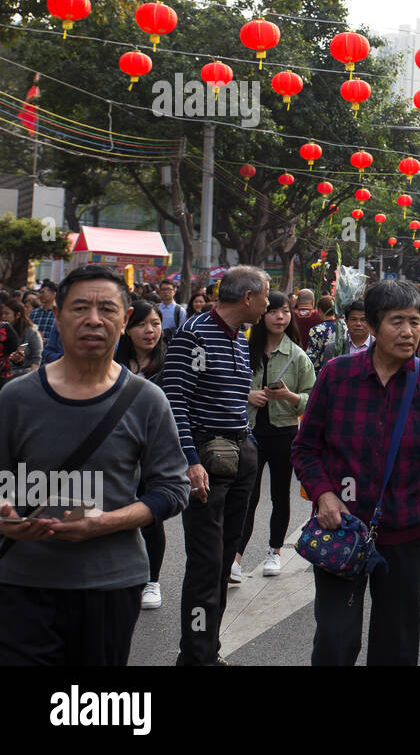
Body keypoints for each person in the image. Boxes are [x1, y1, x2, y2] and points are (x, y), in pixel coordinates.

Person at [0, 265, 189, 665]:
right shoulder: (15, 398)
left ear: (124, 322)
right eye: (80, 307)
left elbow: (172, 490)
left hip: (110, 583)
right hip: (21, 582)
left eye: (107, 309)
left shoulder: (147, 400)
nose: (93, 319)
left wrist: (102, 523)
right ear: (57, 316)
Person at [292, 280, 420, 665]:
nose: (408, 331)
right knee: (335, 641)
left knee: (396, 645)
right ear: (372, 326)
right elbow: (306, 447)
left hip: (408, 531)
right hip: (340, 528)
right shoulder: (337, 376)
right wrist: (324, 493)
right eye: (397, 321)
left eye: (414, 321)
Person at [163, 265, 270, 666]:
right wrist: (191, 461)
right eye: (265, 295)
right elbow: (174, 402)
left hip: (241, 456)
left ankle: (208, 649)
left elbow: (237, 400)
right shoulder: (193, 334)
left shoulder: (241, 339)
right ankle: (194, 656)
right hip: (208, 461)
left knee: (224, 564)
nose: (268, 303)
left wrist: (250, 444)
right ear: (247, 297)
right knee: (206, 566)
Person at [233, 291, 316, 583]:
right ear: (262, 315)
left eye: (284, 312)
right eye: (273, 312)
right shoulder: (242, 349)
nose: (280, 317)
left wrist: (289, 396)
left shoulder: (297, 355)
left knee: (280, 495)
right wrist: (248, 395)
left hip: (284, 433)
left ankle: (274, 551)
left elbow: (311, 399)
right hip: (249, 433)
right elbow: (227, 385)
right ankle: (236, 557)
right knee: (246, 497)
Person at [114, 299, 169, 611]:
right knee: (115, 513)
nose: (150, 331)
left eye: (156, 324)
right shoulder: (113, 363)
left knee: (150, 515)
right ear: (127, 329)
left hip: (153, 452)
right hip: (117, 451)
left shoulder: (170, 363)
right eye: (142, 324)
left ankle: (152, 580)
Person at [1, 296, 41, 379]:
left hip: (23, 374)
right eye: (2, 314)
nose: (3, 317)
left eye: (7, 313)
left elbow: (36, 358)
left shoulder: (31, 332)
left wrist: (33, 379)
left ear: (18, 315)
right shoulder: (2, 332)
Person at [30, 280, 62, 364]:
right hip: (33, 357)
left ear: (54, 294)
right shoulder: (34, 313)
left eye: (43, 292)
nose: (40, 295)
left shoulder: (60, 314)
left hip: (51, 359)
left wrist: (45, 340)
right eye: (40, 292)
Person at [305, 295, 337, 369]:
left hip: (322, 371)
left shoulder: (316, 330)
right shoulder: (343, 328)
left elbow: (311, 355)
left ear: (320, 310)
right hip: (339, 370)